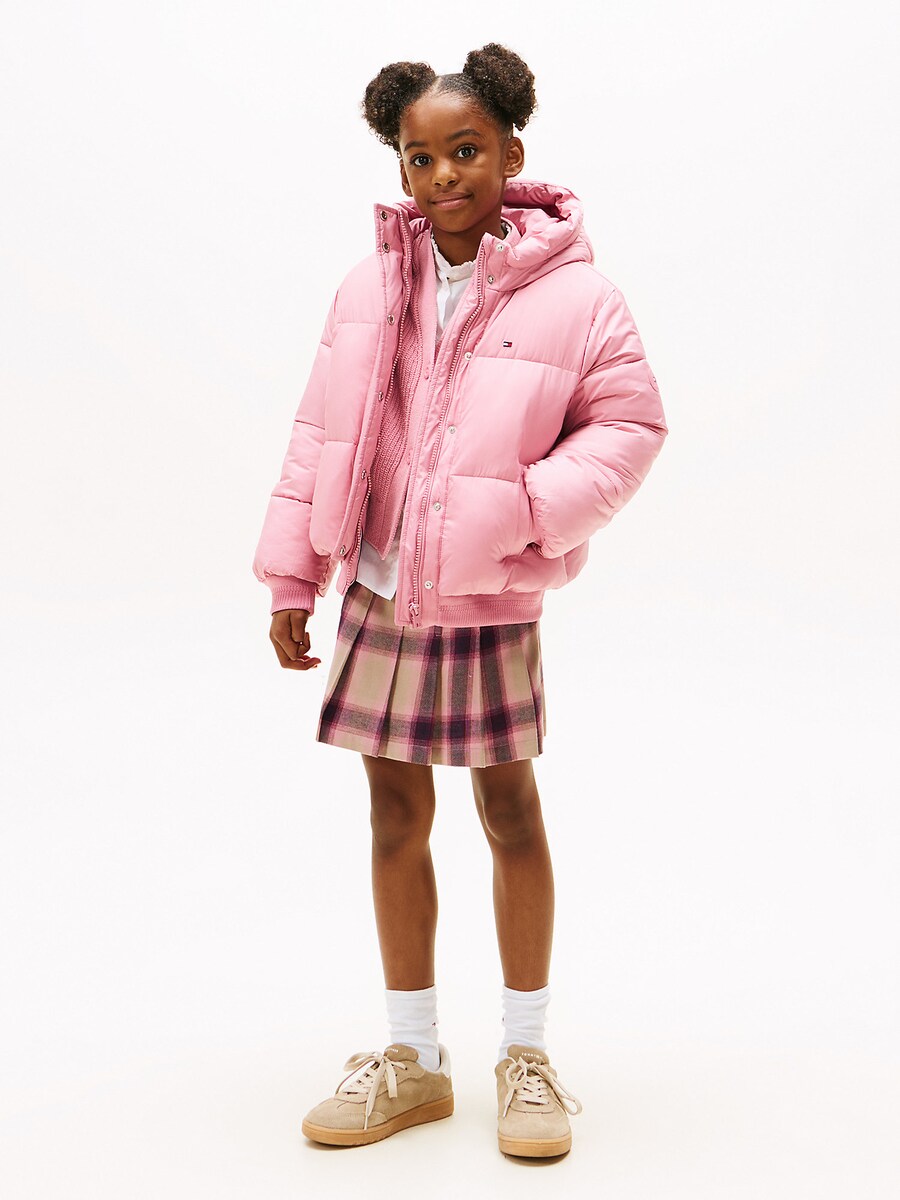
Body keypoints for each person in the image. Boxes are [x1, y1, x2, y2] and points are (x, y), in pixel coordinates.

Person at [252, 42, 667, 1158]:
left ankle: (525, 1056)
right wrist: (294, 573)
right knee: (394, 817)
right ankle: (413, 1060)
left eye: (466, 150)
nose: (442, 175)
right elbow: (319, 432)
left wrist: (520, 512)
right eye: (419, 157)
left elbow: (630, 428)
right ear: (400, 165)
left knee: (510, 812)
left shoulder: (578, 295)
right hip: (380, 590)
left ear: (512, 154)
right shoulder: (367, 288)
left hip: (489, 598)